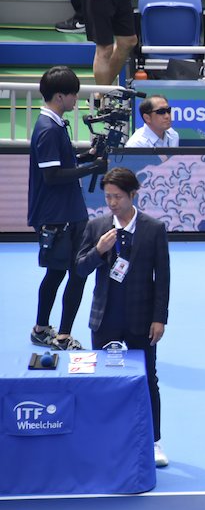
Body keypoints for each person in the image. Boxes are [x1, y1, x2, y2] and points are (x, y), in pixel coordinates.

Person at [76, 167, 170, 468]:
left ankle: (154, 441)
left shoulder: (154, 228)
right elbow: (79, 268)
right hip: (105, 318)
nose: (112, 203)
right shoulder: (97, 227)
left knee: (147, 380)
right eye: (107, 197)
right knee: (103, 381)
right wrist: (99, 250)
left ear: (133, 194)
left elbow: (163, 278)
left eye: (117, 197)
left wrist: (160, 318)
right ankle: (104, 439)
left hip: (141, 319)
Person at [28, 66, 107, 351]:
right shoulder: (48, 129)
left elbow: (63, 161)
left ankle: (56, 332)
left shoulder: (55, 125)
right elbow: (52, 176)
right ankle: (48, 331)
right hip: (56, 215)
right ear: (60, 96)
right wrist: (91, 169)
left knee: (72, 273)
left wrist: (87, 157)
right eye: (73, 94)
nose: (76, 99)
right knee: (60, 273)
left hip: (69, 213)